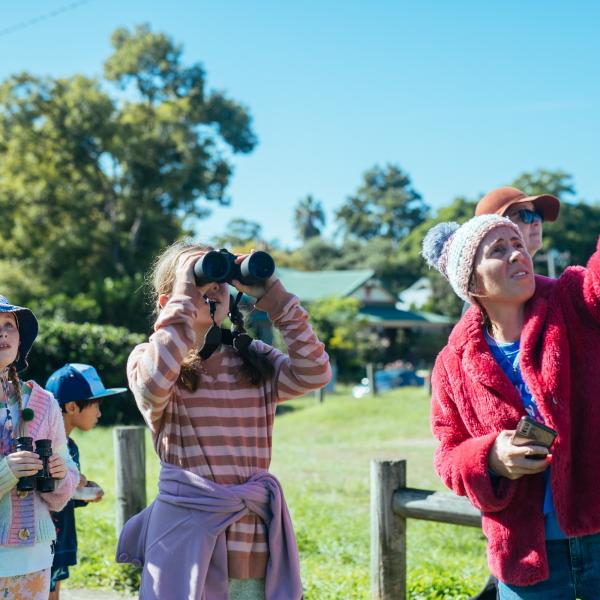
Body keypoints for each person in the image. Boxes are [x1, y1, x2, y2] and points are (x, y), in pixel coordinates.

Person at [116, 241, 331, 599]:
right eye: (200, 278)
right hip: (184, 543)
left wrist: (274, 298)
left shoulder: (255, 359)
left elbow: (314, 373)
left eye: (220, 280)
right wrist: (185, 296)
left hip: (251, 545)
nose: (212, 287)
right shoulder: (149, 360)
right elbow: (153, 385)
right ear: (168, 302)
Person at [422, 213, 600, 599]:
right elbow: (447, 454)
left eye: (518, 244)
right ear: (471, 282)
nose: (517, 254)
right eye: (499, 250)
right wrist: (489, 458)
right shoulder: (452, 362)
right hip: (525, 557)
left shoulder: (573, 301)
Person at [470, 186, 561, 599]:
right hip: (521, 525)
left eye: (534, 215)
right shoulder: (475, 326)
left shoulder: (565, 299)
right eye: (520, 216)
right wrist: (489, 455)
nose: (533, 222)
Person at [0, 297, 79, 599]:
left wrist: (59, 476)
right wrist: (7, 471)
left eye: (10, 326)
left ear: (21, 340)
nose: (3, 334)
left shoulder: (44, 401)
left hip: (34, 560)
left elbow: (67, 475)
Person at [45, 363, 127, 599]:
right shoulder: (43, 446)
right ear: (72, 406)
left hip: (61, 543)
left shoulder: (71, 447)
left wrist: (83, 491)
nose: (99, 413)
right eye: (96, 405)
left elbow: (66, 494)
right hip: (37, 544)